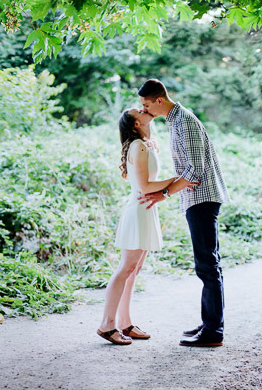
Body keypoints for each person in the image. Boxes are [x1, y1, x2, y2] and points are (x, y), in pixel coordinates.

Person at [137, 79, 230, 347]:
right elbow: (188, 172)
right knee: (207, 264)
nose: (144, 110)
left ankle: (214, 332)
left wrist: (164, 193)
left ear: (158, 100)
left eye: (145, 105)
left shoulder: (184, 121)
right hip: (196, 198)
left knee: (208, 265)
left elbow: (194, 170)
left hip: (203, 198)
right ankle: (210, 323)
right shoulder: (175, 121)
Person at [96, 108, 196, 345]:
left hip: (146, 210)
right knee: (126, 268)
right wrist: (179, 180)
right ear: (135, 125)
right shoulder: (138, 147)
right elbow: (145, 187)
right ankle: (106, 324)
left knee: (134, 270)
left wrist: (177, 181)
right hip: (139, 210)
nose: (143, 109)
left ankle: (125, 323)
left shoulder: (146, 144)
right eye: (137, 111)